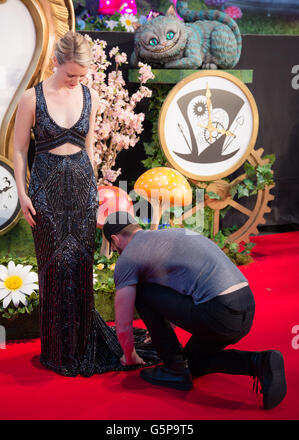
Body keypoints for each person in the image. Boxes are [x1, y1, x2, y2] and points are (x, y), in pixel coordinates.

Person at [13, 31, 158, 377]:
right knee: (53, 269)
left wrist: (94, 192)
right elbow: (19, 151)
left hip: (81, 189)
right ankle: (58, 352)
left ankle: (80, 344)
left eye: (81, 75)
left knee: (79, 268)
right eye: (70, 74)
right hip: (45, 193)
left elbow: (89, 149)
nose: (76, 80)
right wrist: (22, 194)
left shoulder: (90, 95)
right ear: (55, 62)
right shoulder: (31, 100)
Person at [103, 211, 287, 410]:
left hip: (218, 313)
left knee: (141, 291)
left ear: (115, 239)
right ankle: (260, 362)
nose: (116, 251)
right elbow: (182, 287)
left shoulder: (128, 257)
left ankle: (174, 369)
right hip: (245, 307)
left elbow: (123, 318)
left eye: (113, 248)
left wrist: (130, 356)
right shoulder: (173, 234)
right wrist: (164, 329)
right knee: (192, 363)